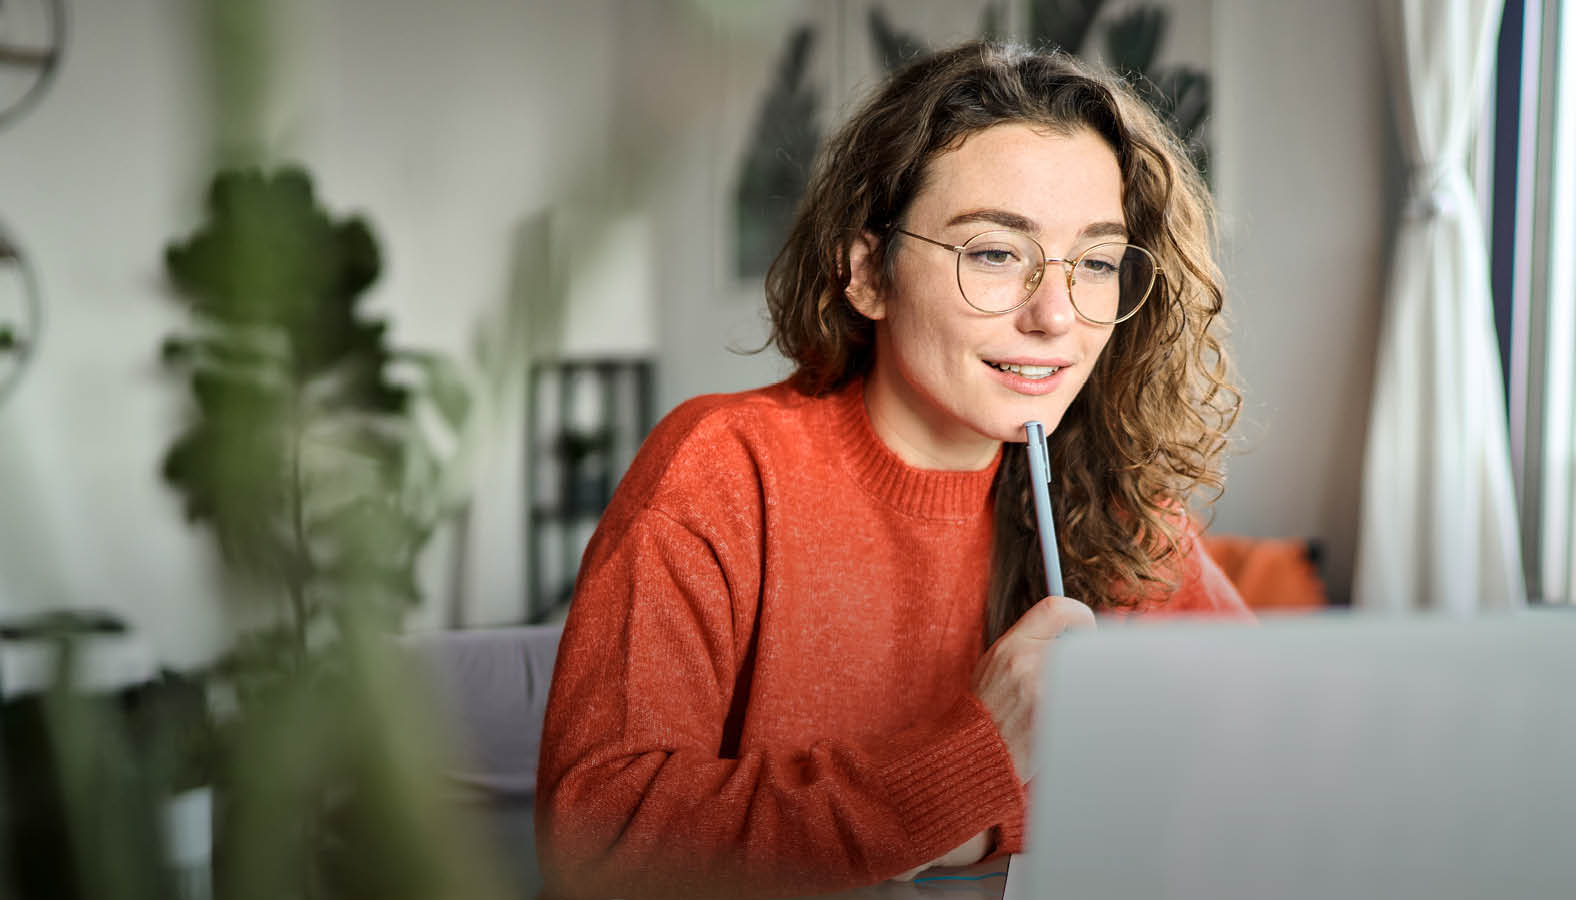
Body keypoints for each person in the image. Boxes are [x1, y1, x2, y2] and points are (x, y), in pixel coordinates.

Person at [535, 39, 1252, 899]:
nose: (1056, 315)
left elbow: (1265, 754)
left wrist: (975, 828)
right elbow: (597, 842)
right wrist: (975, 764)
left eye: (1095, 262)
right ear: (868, 270)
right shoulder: (723, 471)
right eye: (993, 252)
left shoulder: (1110, 498)